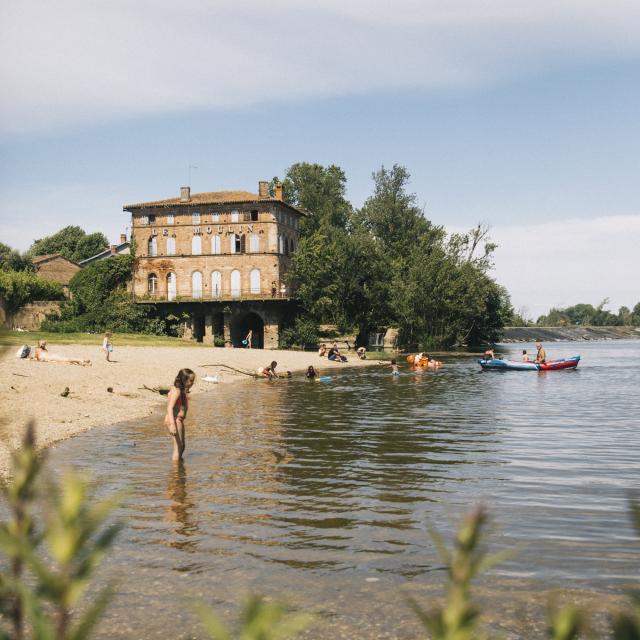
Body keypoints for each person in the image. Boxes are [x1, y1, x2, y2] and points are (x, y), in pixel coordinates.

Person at [164, 368, 195, 462]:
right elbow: (169, 408)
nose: (192, 383)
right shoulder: (176, 391)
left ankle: (179, 468)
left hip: (179, 420)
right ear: (183, 379)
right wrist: (172, 425)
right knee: (178, 447)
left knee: (182, 446)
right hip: (174, 420)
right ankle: (175, 473)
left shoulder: (181, 391)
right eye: (191, 380)